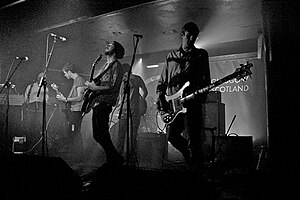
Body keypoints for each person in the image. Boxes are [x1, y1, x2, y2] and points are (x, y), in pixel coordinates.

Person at [156, 22, 211, 172]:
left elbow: (207, 80)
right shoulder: (171, 56)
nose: (191, 38)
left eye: (194, 36)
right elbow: (163, 81)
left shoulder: (201, 55)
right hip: (175, 106)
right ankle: (189, 158)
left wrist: (200, 96)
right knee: (172, 137)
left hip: (192, 104)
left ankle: (197, 174)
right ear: (182, 34)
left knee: (194, 141)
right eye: (188, 35)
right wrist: (161, 97)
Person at [85, 41, 125, 165]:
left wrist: (94, 88)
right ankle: (114, 157)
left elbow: (113, 86)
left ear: (116, 49)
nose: (107, 45)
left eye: (111, 44)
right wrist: (90, 87)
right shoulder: (105, 65)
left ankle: (114, 158)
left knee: (102, 133)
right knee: (97, 135)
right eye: (107, 44)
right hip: (97, 102)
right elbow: (100, 83)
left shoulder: (117, 65)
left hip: (105, 103)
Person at [115, 63, 148, 165]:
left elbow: (118, 95)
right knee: (133, 134)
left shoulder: (121, 80)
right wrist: (140, 100)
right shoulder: (137, 78)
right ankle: (131, 157)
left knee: (121, 134)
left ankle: (119, 156)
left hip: (124, 109)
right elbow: (145, 92)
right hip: (135, 110)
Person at [55, 62, 86, 159]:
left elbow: (80, 97)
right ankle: (76, 154)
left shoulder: (79, 80)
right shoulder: (76, 80)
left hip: (77, 111)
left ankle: (78, 155)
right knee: (72, 132)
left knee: (74, 133)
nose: (64, 75)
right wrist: (57, 90)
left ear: (69, 71)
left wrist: (66, 100)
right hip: (73, 110)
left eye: (65, 73)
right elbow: (69, 98)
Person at [23, 72, 50, 153]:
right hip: (31, 109)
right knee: (29, 127)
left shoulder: (45, 88)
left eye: (43, 78)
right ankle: (28, 146)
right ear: (38, 78)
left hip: (40, 110)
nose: (41, 79)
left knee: (40, 128)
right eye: (40, 77)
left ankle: (38, 147)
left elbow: (47, 99)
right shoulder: (30, 86)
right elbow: (25, 97)